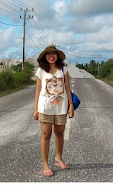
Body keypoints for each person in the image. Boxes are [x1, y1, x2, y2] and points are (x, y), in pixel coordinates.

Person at [33, 45, 74, 177]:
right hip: (45, 107)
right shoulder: (41, 71)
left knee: (60, 133)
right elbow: (38, 91)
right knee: (46, 135)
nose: (51, 56)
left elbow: (68, 88)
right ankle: (45, 164)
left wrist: (71, 105)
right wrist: (35, 109)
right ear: (44, 56)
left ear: (57, 55)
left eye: (53, 53)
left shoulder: (64, 69)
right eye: (48, 54)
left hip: (61, 107)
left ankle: (58, 158)